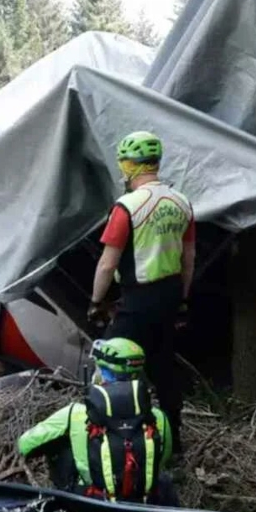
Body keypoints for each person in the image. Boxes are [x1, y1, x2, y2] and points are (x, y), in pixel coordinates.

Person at [87, 131, 195, 454]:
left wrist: (96, 302)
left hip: (138, 297)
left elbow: (107, 264)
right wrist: (183, 299)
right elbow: (189, 258)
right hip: (171, 294)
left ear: (129, 165)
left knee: (108, 360)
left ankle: (104, 436)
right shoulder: (182, 202)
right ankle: (173, 441)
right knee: (163, 365)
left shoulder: (127, 207)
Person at [17, 338, 177, 505]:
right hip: (143, 503)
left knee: (62, 446)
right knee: (164, 480)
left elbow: (24, 445)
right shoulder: (158, 417)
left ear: (102, 371)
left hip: (93, 502)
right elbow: (162, 459)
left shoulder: (75, 414)